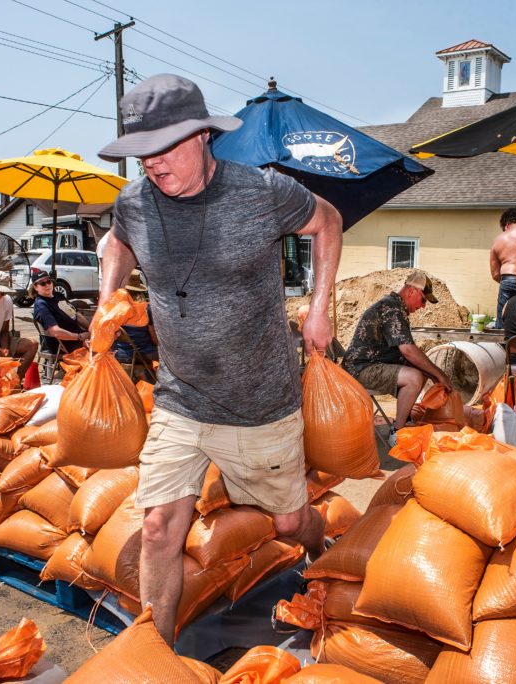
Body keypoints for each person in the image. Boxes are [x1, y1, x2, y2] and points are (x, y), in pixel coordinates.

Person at [96, 73, 343, 644]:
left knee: (287, 521)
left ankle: (318, 546)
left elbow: (326, 221)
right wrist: (111, 295)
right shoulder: (133, 201)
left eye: (163, 150)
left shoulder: (261, 192)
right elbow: (118, 241)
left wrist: (319, 307)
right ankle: (154, 652)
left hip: (260, 399)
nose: (152, 166)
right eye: (141, 156)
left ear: (203, 136)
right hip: (179, 395)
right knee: (159, 527)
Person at [341, 271, 454, 445]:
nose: (423, 306)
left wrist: (433, 376)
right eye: (423, 300)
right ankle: (398, 433)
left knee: (420, 372)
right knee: (414, 377)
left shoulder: (396, 307)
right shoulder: (393, 308)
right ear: (411, 291)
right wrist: (440, 374)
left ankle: (405, 420)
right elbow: (408, 350)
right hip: (359, 369)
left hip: (371, 365)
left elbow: (408, 354)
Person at [30, 269, 91, 354]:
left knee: (108, 338)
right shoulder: (41, 305)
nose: (47, 285)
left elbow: (76, 315)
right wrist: (80, 337)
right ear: (36, 287)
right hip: (63, 344)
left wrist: (91, 330)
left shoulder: (59, 296)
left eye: (49, 282)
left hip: (79, 338)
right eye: (43, 283)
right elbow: (56, 332)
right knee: (102, 348)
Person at [111, 269, 159, 374]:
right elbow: (154, 339)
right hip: (143, 355)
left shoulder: (115, 307)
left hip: (118, 353)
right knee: (167, 358)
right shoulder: (146, 308)